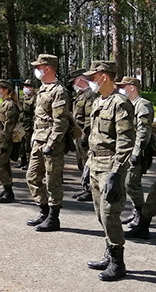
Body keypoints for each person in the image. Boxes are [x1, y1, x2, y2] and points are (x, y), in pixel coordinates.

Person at [84, 61, 135, 282]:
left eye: (93, 77)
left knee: (110, 214)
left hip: (110, 167)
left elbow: (125, 143)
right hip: (95, 164)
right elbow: (94, 138)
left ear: (104, 76)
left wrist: (116, 174)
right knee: (100, 215)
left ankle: (118, 262)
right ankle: (108, 253)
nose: (91, 81)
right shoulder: (98, 102)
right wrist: (87, 165)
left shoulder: (120, 104)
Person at [25, 54, 69, 232]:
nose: (36, 70)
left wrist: (51, 143)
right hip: (39, 140)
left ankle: (53, 217)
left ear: (48, 68)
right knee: (32, 176)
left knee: (53, 181)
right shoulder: (43, 88)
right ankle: (44, 211)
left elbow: (61, 122)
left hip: (52, 143)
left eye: (39, 66)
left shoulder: (59, 91)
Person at [114, 77, 154, 229]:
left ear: (131, 87)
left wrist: (137, 152)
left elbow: (144, 132)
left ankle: (141, 212)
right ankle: (135, 210)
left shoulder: (142, 105)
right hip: (127, 150)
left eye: (122, 87)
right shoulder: (128, 105)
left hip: (139, 151)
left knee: (131, 183)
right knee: (128, 183)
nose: (120, 89)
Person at [68, 69, 97, 202]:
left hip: (85, 136)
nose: (74, 85)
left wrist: (85, 137)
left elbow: (89, 119)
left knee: (87, 163)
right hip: (78, 135)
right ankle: (85, 188)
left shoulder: (89, 96)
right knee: (81, 163)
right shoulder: (80, 96)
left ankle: (91, 190)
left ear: (80, 80)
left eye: (74, 82)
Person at [0, 80, 20, 203]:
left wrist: (3, 143)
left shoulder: (10, 105)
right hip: (0, 139)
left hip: (6, 141)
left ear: (7, 90)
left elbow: (8, 127)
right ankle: (6, 189)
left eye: (0, 89)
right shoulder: (3, 104)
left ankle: (9, 192)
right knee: (5, 165)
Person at [15, 79, 36, 170]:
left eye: (27, 86)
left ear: (32, 88)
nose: (25, 88)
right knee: (21, 144)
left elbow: (36, 112)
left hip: (29, 124)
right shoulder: (23, 98)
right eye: (24, 86)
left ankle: (29, 162)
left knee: (28, 145)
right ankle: (22, 160)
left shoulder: (35, 98)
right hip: (22, 123)